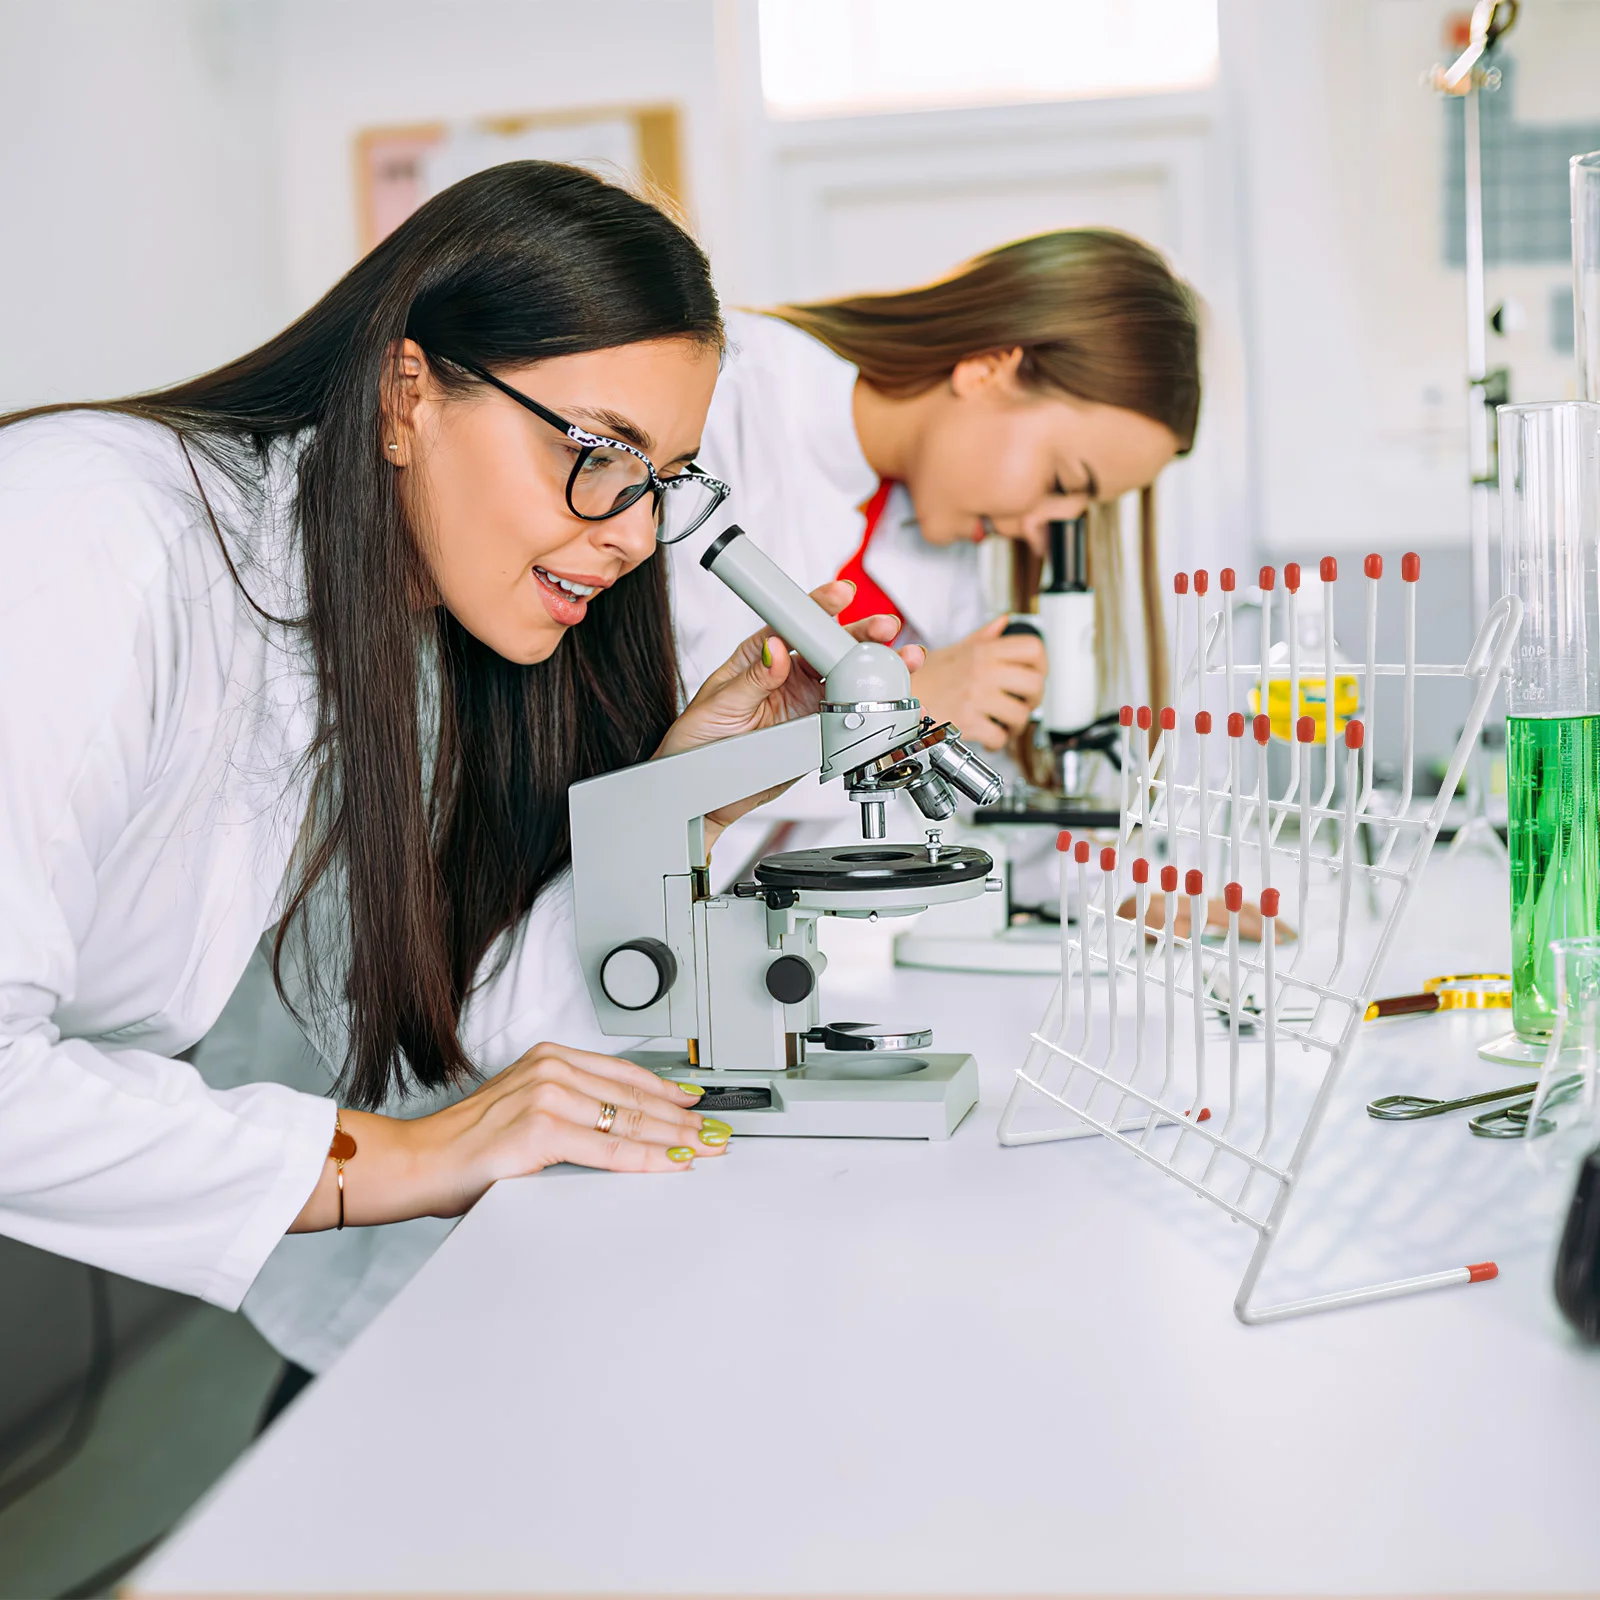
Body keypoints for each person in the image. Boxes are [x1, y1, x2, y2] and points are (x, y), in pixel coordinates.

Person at [0, 162, 918, 1410]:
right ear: (405, 396)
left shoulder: (415, 638)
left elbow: (494, 1026)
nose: (634, 532)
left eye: (663, 480)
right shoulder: (91, 527)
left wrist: (684, 802)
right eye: (601, 453)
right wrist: (398, 1162)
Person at [668, 228, 1201, 890]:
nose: (1043, 535)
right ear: (989, 369)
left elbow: (965, 802)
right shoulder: (729, 397)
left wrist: (1119, 896)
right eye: (1061, 483)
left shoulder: (938, 535)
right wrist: (903, 705)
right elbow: (657, 752)